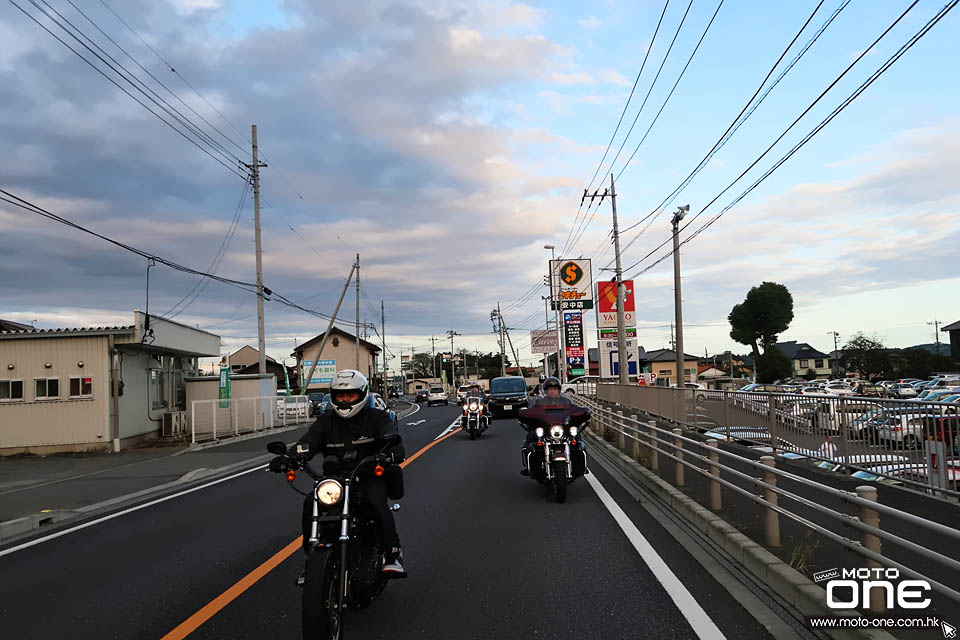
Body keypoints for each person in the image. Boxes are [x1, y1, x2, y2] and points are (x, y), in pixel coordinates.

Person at [271, 369, 406, 580]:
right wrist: (289, 458)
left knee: (375, 500)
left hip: (368, 476)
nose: (344, 400)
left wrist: (392, 449)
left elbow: (391, 436)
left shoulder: (376, 417)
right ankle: (311, 559)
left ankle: (393, 553)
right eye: (340, 395)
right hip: (335, 481)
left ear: (361, 394)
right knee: (310, 503)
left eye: (350, 395)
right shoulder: (326, 421)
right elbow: (308, 442)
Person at [520, 377, 574, 476]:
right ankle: (530, 467)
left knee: (578, 441)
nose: (552, 391)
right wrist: (528, 417)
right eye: (550, 389)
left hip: (562, 429)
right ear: (546, 391)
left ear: (559, 390)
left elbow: (573, 413)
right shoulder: (539, 402)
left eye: (555, 389)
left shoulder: (567, 401)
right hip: (545, 429)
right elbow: (533, 413)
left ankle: (579, 465)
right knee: (530, 438)